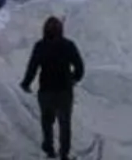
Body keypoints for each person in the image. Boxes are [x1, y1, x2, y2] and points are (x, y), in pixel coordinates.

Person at [20, 16, 84, 159]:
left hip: (46, 91)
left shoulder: (40, 46)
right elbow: (80, 66)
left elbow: (32, 67)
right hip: (64, 92)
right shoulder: (69, 45)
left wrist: (26, 83)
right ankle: (64, 154)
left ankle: (49, 149)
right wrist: (74, 79)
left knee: (47, 122)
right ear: (61, 30)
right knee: (65, 124)